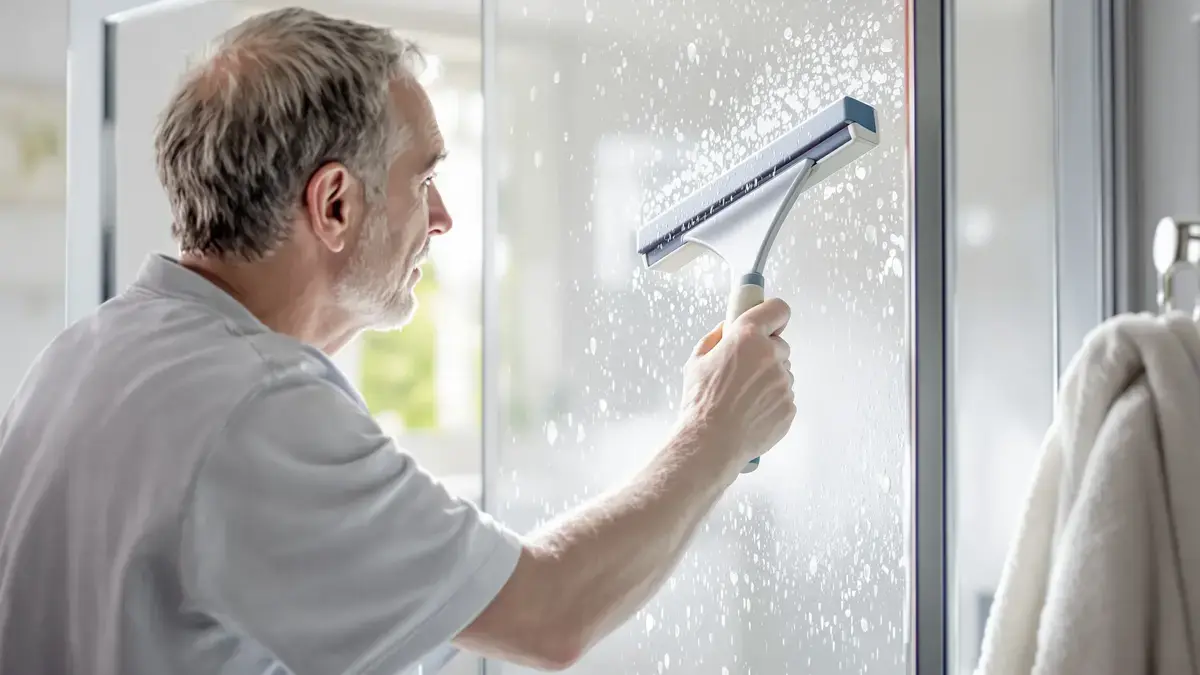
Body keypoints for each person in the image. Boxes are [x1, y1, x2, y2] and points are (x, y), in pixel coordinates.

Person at [0, 7, 796, 675]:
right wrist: (713, 432)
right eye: (423, 179)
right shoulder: (259, 405)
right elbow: (551, 612)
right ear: (336, 204)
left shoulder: (84, 355)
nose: (443, 216)